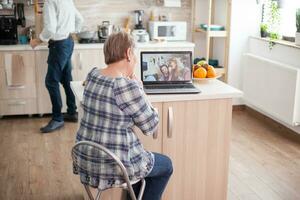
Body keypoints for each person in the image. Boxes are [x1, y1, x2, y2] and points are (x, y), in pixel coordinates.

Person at [74, 32, 173, 200]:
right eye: (134, 55)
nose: (134, 60)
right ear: (128, 53)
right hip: (115, 165)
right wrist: (140, 89)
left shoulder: (92, 75)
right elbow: (151, 126)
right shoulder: (125, 86)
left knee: (138, 173)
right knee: (166, 165)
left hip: (85, 158)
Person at [30, 0, 84, 133]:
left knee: (51, 82)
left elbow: (50, 29)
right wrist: (71, 31)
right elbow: (80, 19)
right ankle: (72, 112)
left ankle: (57, 119)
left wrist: (38, 40)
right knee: (66, 79)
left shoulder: (50, 2)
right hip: (68, 42)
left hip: (59, 45)